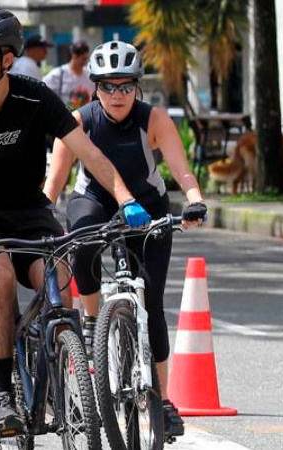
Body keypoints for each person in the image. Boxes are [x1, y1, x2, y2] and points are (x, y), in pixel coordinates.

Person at [0, 8, 148, 437]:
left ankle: (51, 356)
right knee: (1, 272)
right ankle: (4, 395)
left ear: (7, 59)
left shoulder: (35, 97)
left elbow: (90, 153)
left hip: (29, 212)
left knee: (58, 276)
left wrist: (126, 199)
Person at [44, 40, 208, 440]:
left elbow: (181, 170)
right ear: (94, 87)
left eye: (125, 86)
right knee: (80, 237)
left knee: (151, 304)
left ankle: (164, 400)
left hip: (148, 207)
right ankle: (92, 322)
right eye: (108, 86)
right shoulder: (79, 121)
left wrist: (195, 201)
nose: (117, 95)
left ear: (138, 87)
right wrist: (41, 217)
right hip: (94, 201)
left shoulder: (155, 119)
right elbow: (56, 182)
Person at [43, 40, 94, 110]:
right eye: (83, 59)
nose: (85, 62)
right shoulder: (58, 74)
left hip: (85, 117)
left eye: (86, 59)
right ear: (74, 56)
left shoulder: (89, 75)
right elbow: (43, 93)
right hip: (63, 117)